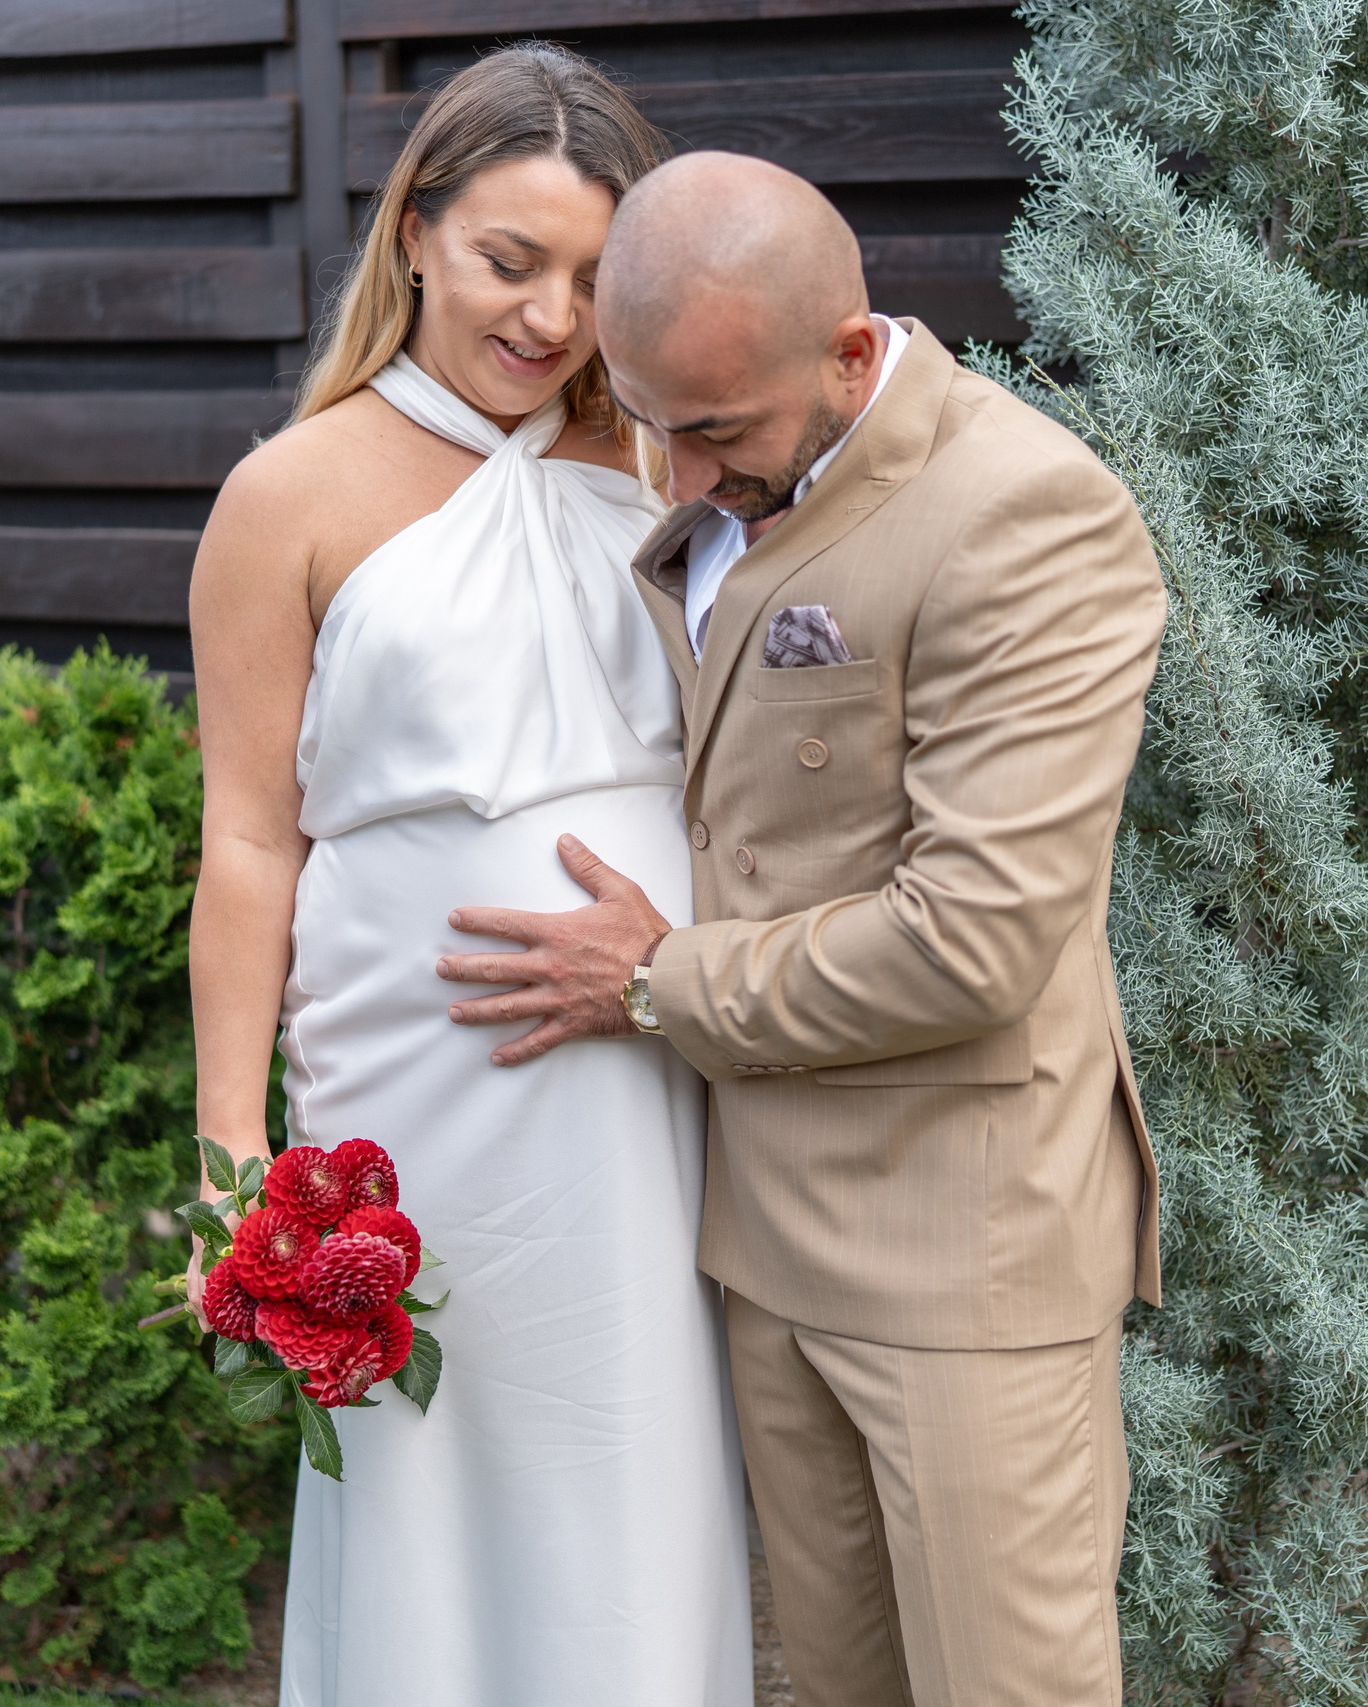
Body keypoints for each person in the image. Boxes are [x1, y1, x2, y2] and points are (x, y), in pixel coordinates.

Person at [434, 150, 1168, 1707]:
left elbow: (974, 938)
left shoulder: (1028, 513)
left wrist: (653, 981)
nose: (681, 475)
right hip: (764, 1241)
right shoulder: (714, 468)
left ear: (848, 352)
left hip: (966, 1256)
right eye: (652, 423)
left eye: (716, 431)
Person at [184, 49, 752, 1707]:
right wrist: (233, 1155)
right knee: (428, 1491)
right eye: (512, 261)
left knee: (633, 1470)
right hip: (410, 1088)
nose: (552, 318)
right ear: (415, 232)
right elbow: (248, 839)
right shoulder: (289, 494)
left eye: (594, 276)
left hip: (646, 1075)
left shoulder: (670, 472)